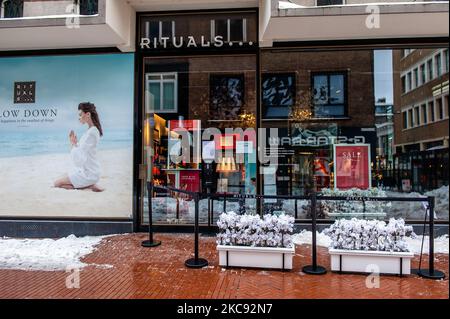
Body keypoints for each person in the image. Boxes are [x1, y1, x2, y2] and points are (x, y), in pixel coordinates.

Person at [54, 102, 104, 192]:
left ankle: (89, 186)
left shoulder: (92, 132)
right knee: (60, 177)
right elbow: (83, 151)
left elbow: (79, 160)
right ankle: (88, 185)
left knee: (57, 184)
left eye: (80, 115)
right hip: (89, 170)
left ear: (88, 114)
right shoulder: (91, 130)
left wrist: (73, 144)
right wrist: (75, 143)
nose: (79, 117)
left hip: (90, 173)